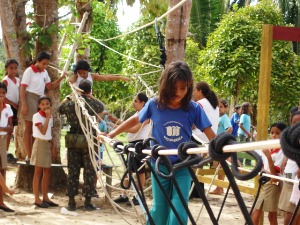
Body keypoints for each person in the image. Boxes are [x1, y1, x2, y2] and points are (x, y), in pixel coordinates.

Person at [101, 61, 216, 225]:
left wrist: (226, 152)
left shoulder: (193, 108)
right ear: (166, 85)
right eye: (173, 88)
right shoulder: (155, 104)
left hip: (183, 165)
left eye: (182, 88)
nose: (178, 93)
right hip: (160, 164)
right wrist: (112, 133)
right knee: (159, 210)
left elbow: (211, 135)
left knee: (178, 211)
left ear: (189, 86)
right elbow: (135, 119)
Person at [59, 79, 105, 211]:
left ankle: (71, 202)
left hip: (74, 141)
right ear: (90, 91)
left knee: (73, 171)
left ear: (78, 90)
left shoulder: (71, 104)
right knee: (89, 172)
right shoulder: (93, 105)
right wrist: (90, 96)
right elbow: (102, 106)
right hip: (89, 142)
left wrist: (69, 97)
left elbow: (60, 108)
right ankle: (88, 202)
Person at [20, 52, 67, 163]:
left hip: (41, 100)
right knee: (29, 127)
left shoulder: (44, 72)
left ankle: (36, 154)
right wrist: (24, 104)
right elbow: (22, 88)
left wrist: (62, 78)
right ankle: (29, 155)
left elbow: (50, 86)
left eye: (46, 64)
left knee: (39, 127)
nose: (45, 66)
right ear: (37, 61)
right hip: (30, 98)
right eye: (43, 63)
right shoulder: (29, 71)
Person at [112, 92, 152, 206]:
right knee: (128, 170)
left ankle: (139, 197)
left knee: (140, 171)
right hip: (132, 145)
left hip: (140, 145)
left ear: (142, 103)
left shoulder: (146, 116)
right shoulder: (137, 114)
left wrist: (117, 129)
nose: (133, 103)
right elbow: (127, 124)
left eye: (135, 101)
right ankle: (124, 195)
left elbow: (134, 129)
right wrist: (113, 119)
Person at [251, 122, 287, 225]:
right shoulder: (267, 146)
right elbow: (260, 163)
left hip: (274, 184)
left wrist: (268, 157)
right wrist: (262, 169)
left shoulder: (283, 151)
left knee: (270, 215)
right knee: (258, 212)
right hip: (266, 182)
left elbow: (275, 176)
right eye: (272, 132)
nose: (274, 135)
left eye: (277, 133)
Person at [30, 96, 58, 208]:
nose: (45, 106)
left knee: (47, 171)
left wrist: (53, 146)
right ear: (39, 106)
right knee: (38, 172)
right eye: (43, 104)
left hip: (47, 144)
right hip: (40, 143)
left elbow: (50, 132)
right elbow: (42, 131)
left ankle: (45, 197)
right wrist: (47, 118)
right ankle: (37, 199)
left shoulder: (49, 116)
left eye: (47, 104)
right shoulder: (37, 116)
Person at [279, 111, 300, 225]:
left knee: (291, 217)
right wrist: (285, 159)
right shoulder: (291, 139)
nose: (296, 125)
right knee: (289, 215)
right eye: (294, 122)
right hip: (289, 180)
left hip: (297, 182)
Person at [209, 99, 233, 195]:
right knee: (220, 164)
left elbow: (230, 129)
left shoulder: (224, 118)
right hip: (216, 144)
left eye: (221, 107)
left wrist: (221, 138)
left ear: (226, 108)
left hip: (221, 144)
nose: (219, 109)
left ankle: (219, 187)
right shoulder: (217, 118)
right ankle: (220, 187)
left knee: (222, 164)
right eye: (217, 106)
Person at [0, 82, 14, 212]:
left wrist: (2, 128)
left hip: (3, 140)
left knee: (3, 169)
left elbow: (10, 127)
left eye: (3, 94)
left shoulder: (8, 108)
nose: (1, 96)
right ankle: (6, 189)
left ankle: (1, 202)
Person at [2, 59, 19, 156]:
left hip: (16, 107)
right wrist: (12, 104)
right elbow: (3, 96)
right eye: (11, 68)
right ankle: (5, 151)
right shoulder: (5, 81)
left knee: (12, 130)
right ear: (6, 69)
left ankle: (6, 152)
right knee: (8, 130)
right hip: (8, 107)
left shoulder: (18, 80)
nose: (13, 70)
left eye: (15, 68)